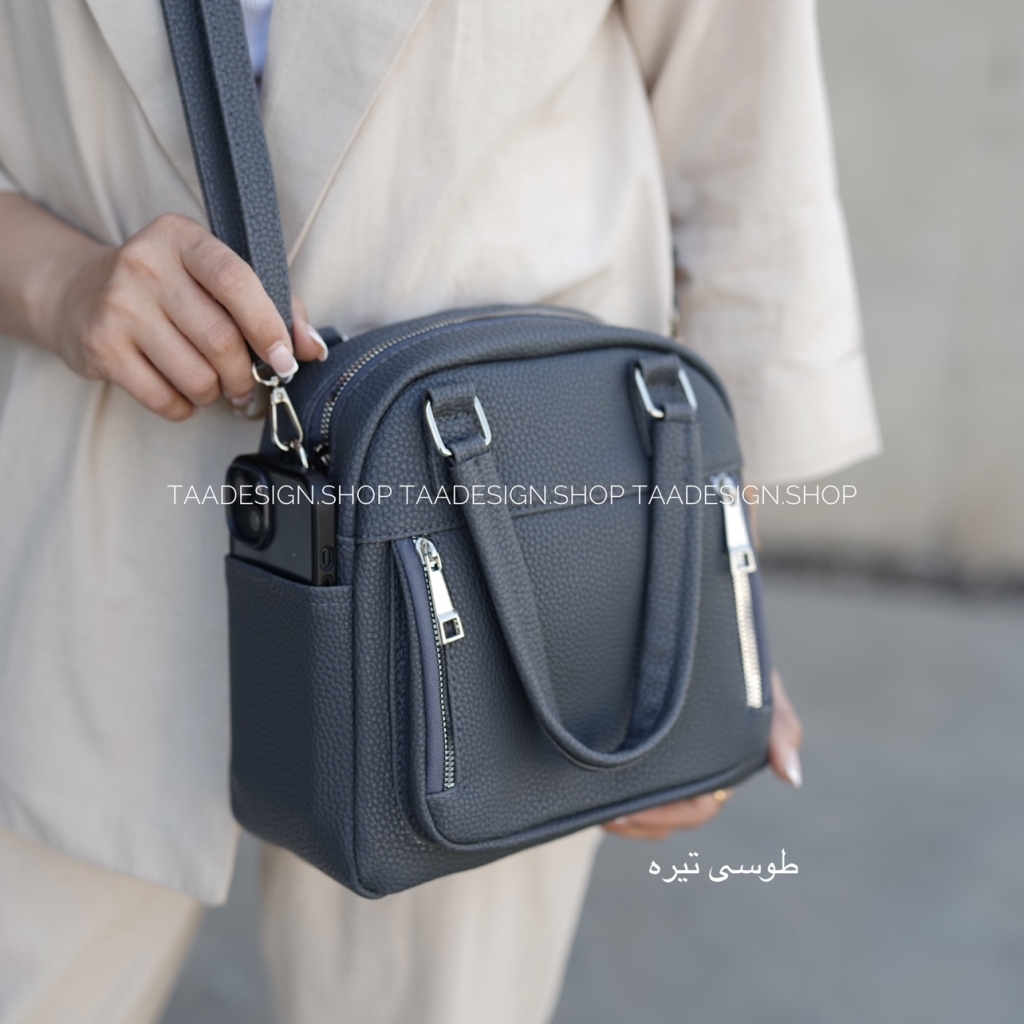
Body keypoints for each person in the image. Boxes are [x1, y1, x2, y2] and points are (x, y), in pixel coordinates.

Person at [0, 1, 880, 1022]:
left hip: (511, 528)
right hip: (87, 499)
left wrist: (712, 599)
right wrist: (58, 281)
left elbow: (748, 155)